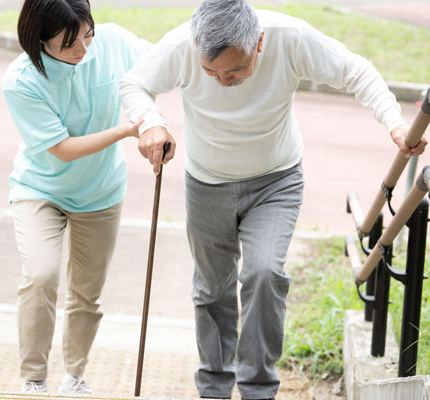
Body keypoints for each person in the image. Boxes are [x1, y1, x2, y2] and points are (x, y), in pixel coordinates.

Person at [119, 0, 427, 399]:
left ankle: (258, 388)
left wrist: (395, 123)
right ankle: (213, 386)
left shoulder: (288, 38)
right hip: (206, 183)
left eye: (234, 70)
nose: (222, 81)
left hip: (275, 182)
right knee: (212, 289)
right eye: (210, 71)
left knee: (264, 274)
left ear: (259, 43)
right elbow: (134, 83)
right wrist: (152, 121)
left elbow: (355, 70)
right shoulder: (183, 44)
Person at [2, 0, 150, 395]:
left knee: (87, 293)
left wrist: (155, 120)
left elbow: (161, 66)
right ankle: (34, 378)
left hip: (101, 192)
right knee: (40, 276)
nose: (83, 50)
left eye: (88, 35)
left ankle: (75, 376)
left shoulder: (113, 42)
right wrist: (126, 130)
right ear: (39, 40)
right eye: (69, 43)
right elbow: (64, 149)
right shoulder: (21, 81)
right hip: (41, 189)